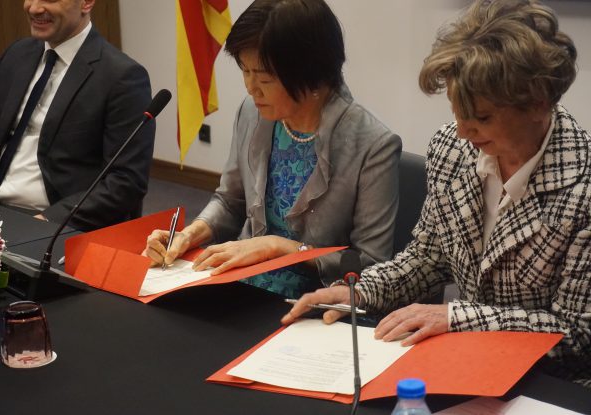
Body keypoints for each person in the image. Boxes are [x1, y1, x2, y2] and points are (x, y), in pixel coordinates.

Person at [284, 0, 590, 386]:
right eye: (457, 112)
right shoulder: (452, 149)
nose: (462, 131)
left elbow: (576, 334)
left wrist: (457, 318)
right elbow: (429, 259)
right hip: (466, 368)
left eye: (481, 117)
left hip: (550, 387)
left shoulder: (583, 187)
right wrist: (360, 293)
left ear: (538, 104)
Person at [144, 0, 401, 299]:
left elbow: (371, 264)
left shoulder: (372, 144)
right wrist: (189, 234)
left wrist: (280, 247)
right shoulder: (252, 112)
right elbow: (230, 201)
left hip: (316, 299)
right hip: (241, 282)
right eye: (245, 71)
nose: (251, 88)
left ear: (311, 74)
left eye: (265, 77)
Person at [0, 0, 155, 231]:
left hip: (55, 220)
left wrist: (48, 222)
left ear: (86, 3)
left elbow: (125, 181)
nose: (34, 8)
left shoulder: (122, 77)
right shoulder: (16, 55)